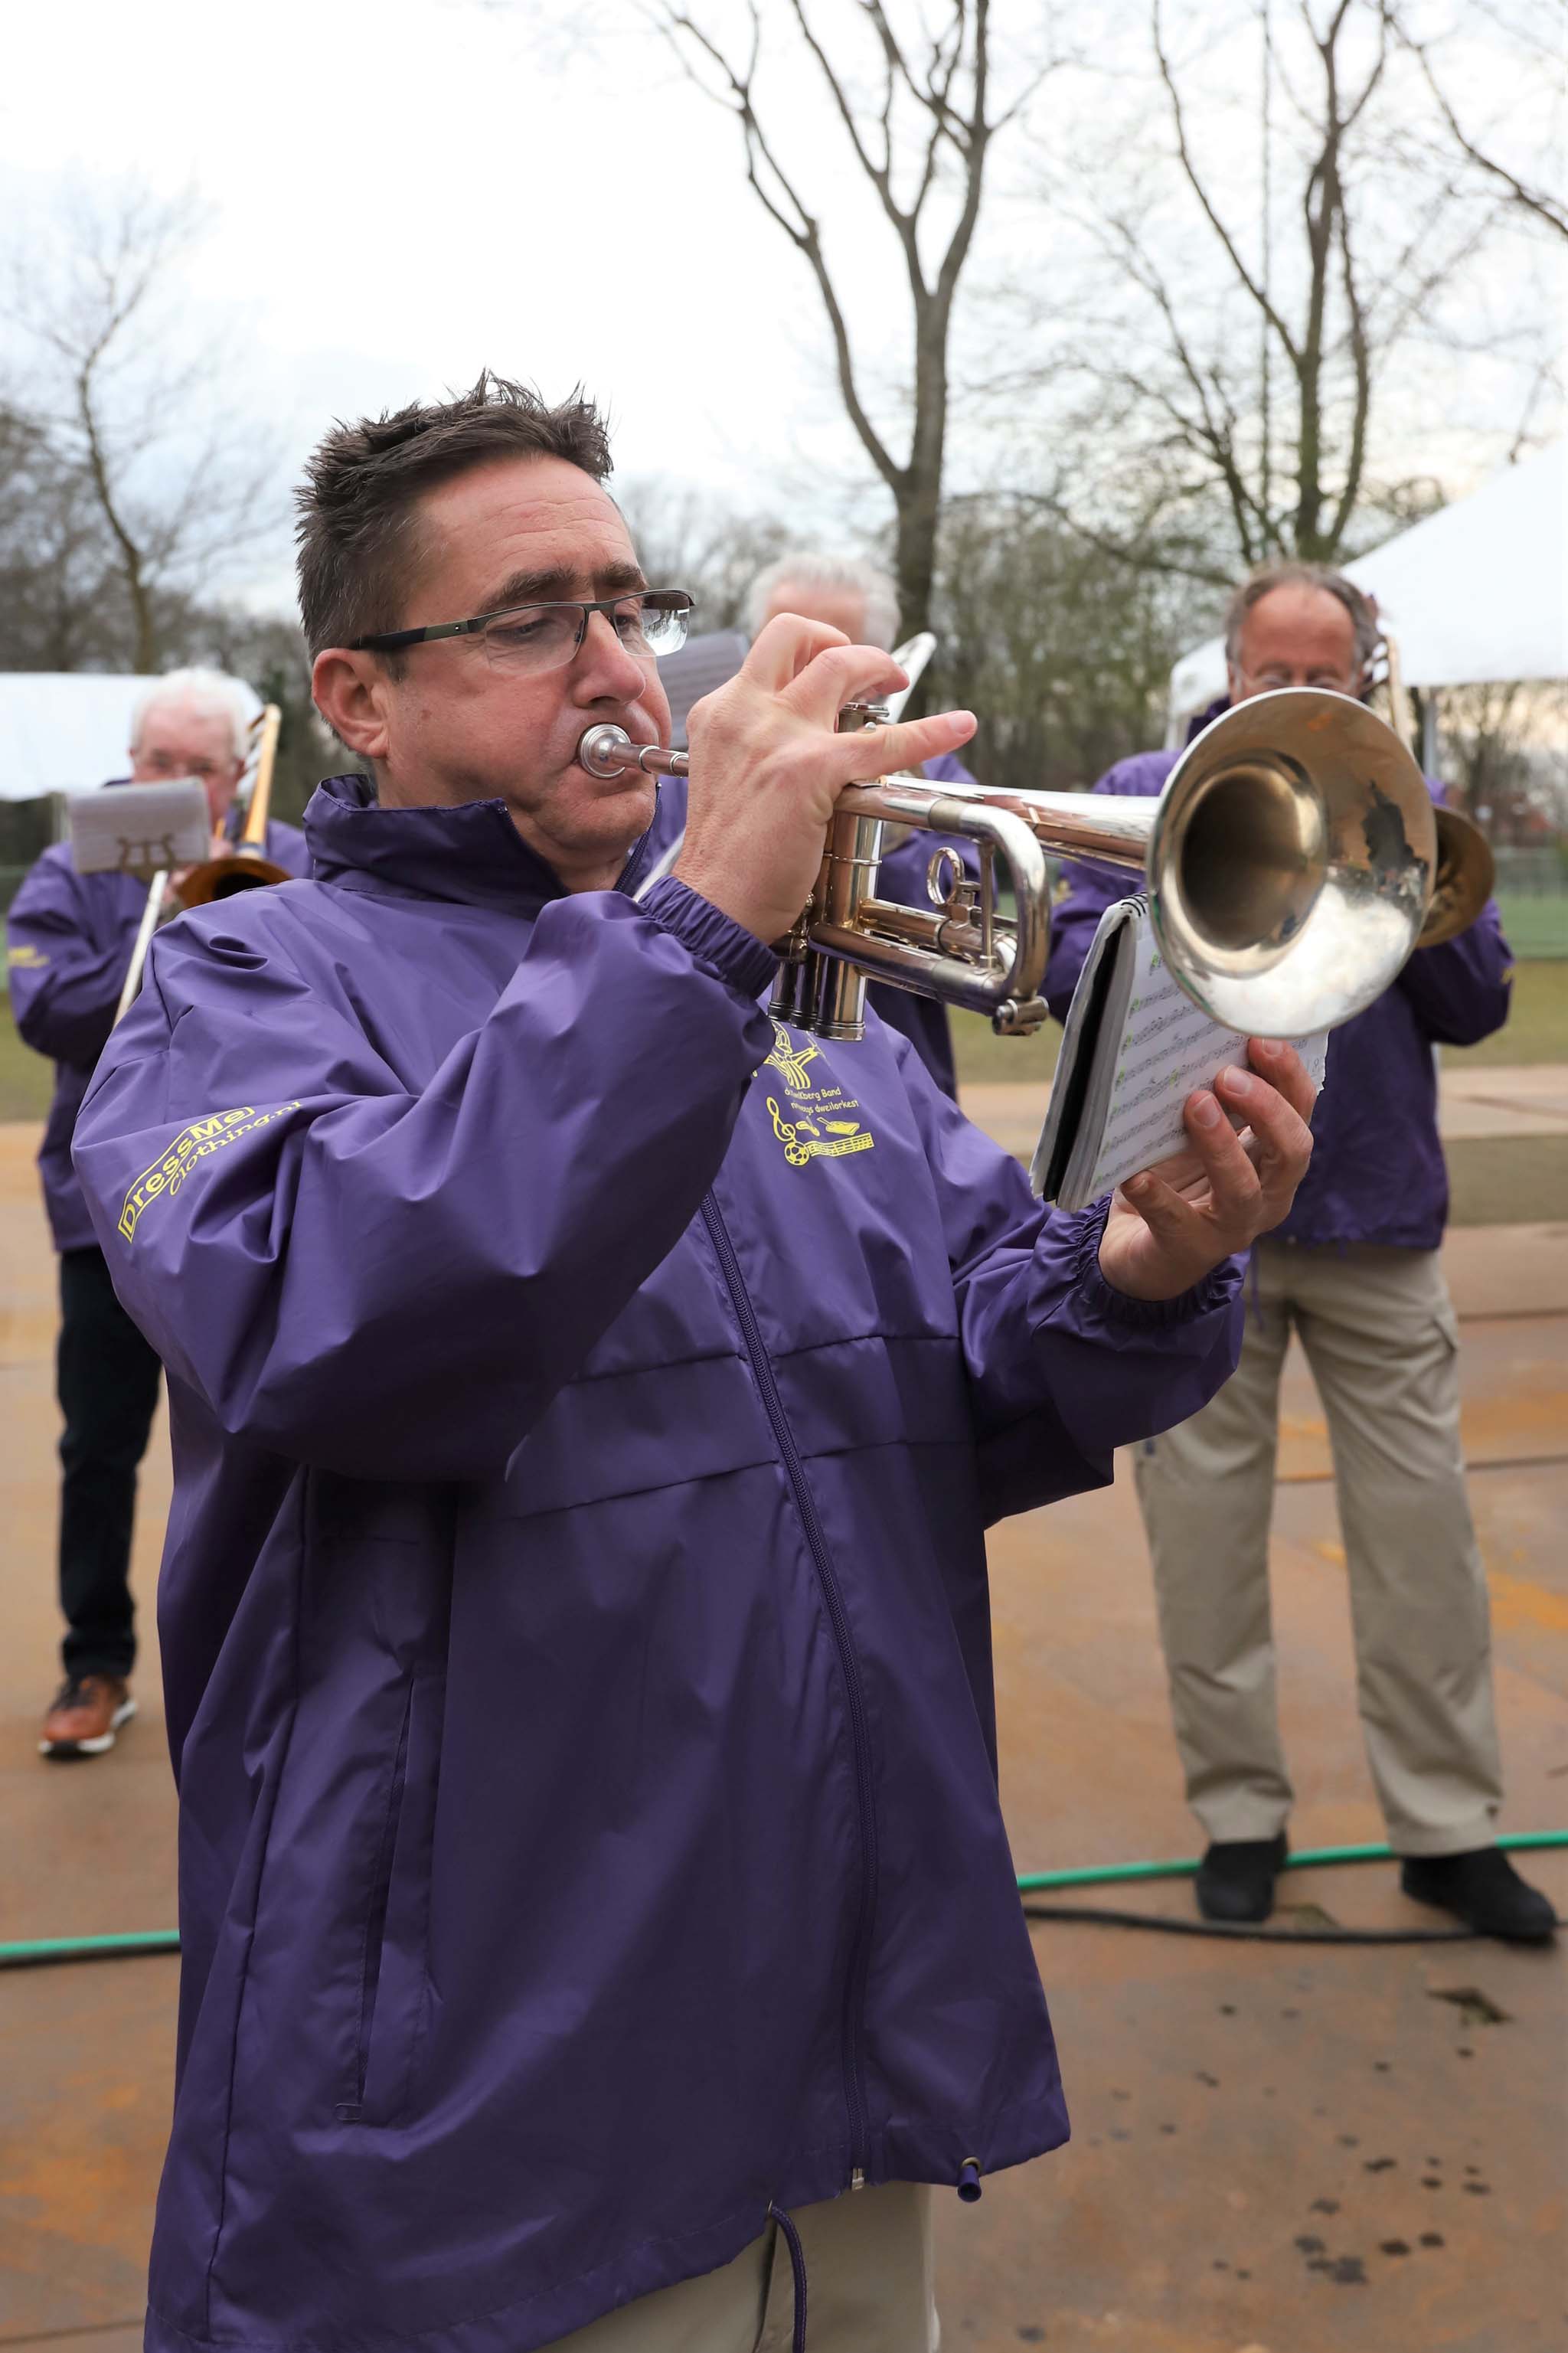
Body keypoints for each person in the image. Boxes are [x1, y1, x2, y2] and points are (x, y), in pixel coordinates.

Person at [73, 375, 1316, 2353]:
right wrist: (700, 930)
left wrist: (1144, 1270)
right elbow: (339, 1326)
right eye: (533, 618)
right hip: (488, 2121)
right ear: (361, 695)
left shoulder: (789, 1013)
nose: (622, 671)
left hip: (844, 2050)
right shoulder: (242, 979)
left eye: (632, 607)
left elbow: (969, 1378)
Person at [1044, 560, 1555, 1945]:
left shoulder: (1404, 800)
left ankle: (1447, 1828)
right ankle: (1238, 1818)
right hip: (1200, 1219)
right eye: (1272, 674)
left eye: (1323, 674)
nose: (1295, 692)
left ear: (1364, 672)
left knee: (1422, 1539)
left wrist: (1399, 878)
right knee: (1200, 1536)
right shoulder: (1153, 777)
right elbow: (1059, 971)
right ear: (1230, 669)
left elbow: (1479, 999)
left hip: (1374, 1211)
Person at [7, 669, 309, 1760]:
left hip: (248, 1199)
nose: (177, 784)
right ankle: (96, 1662)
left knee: (265, 1444)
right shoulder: (71, 865)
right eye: (158, 765)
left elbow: (310, 1009)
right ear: (130, 765)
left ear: (237, 776)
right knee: (100, 1447)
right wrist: (171, 926)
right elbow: (44, 1007)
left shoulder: (292, 859)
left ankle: (271, 1658)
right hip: (106, 1208)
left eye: (200, 768)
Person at [747, 551, 979, 1100]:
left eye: (828, 663)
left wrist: (870, 826)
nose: (802, 686)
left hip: (902, 1098)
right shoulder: (697, 780)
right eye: (785, 657)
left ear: (877, 673)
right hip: (741, 1098)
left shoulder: (934, 772)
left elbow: (969, 925)